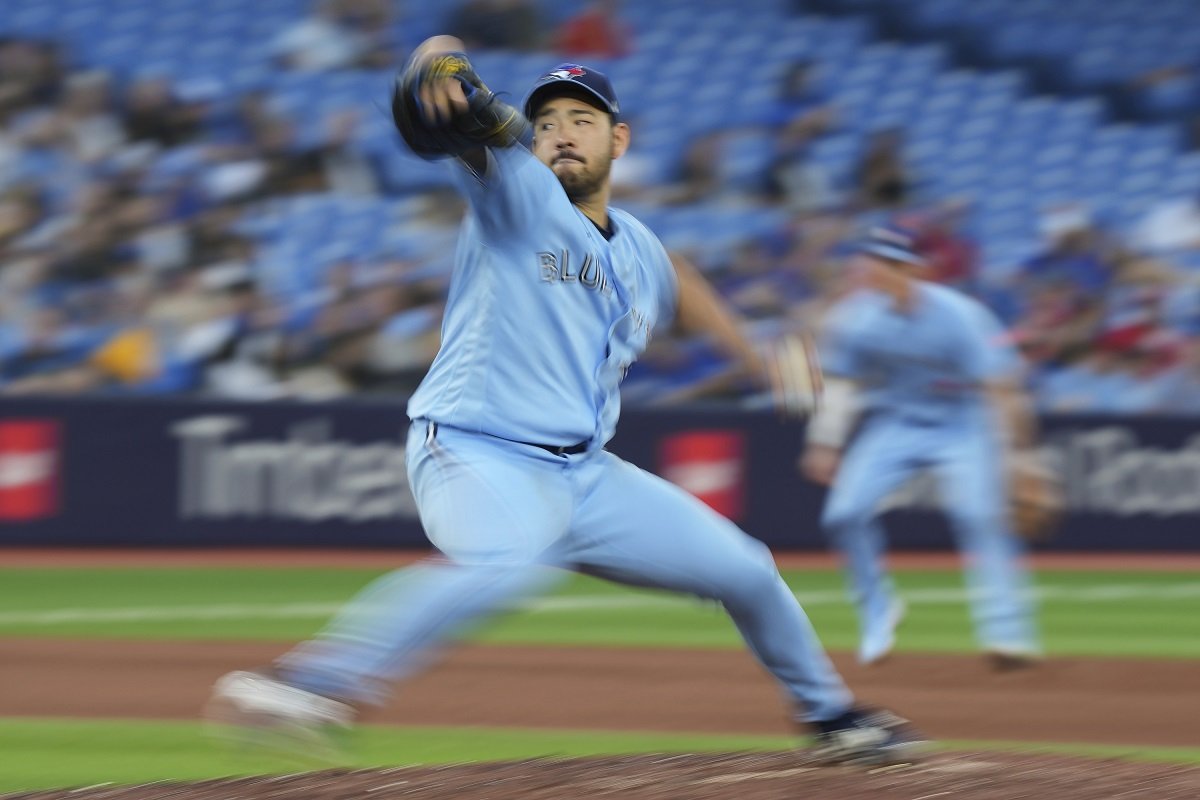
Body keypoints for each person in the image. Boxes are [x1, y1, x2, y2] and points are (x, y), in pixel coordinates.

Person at [205, 37, 924, 766]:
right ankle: (305, 682)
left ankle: (830, 717)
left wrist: (753, 353)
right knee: (508, 563)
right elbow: (440, 82)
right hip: (476, 449)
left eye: (582, 119)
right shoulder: (516, 192)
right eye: (546, 120)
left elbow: (677, 274)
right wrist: (441, 68)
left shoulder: (637, 245)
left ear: (619, 140)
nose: (560, 133)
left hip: (586, 478)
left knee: (748, 570)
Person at [800, 226, 1042, 669]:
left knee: (979, 516)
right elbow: (843, 382)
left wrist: (1020, 461)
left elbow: (1001, 388)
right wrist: (826, 440)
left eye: (878, 263)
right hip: (897, 422)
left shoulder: (960, 316)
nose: (866, 271)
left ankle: (1008, 635)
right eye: (864, 262)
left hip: (962, 425)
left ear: (907, 269)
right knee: (843, 513)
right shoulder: (856, 318)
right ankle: (878, 610)